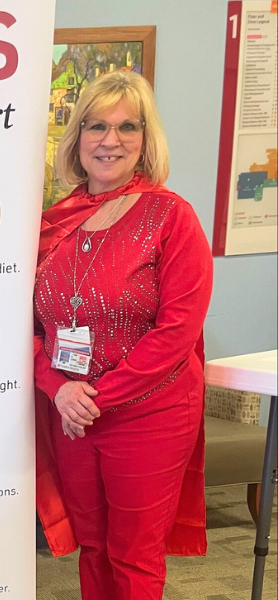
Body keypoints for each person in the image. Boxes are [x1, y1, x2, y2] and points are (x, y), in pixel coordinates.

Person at [33, 71, 212, 600]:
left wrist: (94, 399)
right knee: (93, 545)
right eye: (96, 126)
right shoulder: (49, 224)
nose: (110, 140)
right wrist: (60, 390)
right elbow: (28, 328)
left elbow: (178, 331)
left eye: (126, 127)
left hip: (150, 413)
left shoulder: (172, 217)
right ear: (77, 138)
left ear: (145, 139)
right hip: (73, 414)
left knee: (134, 556)